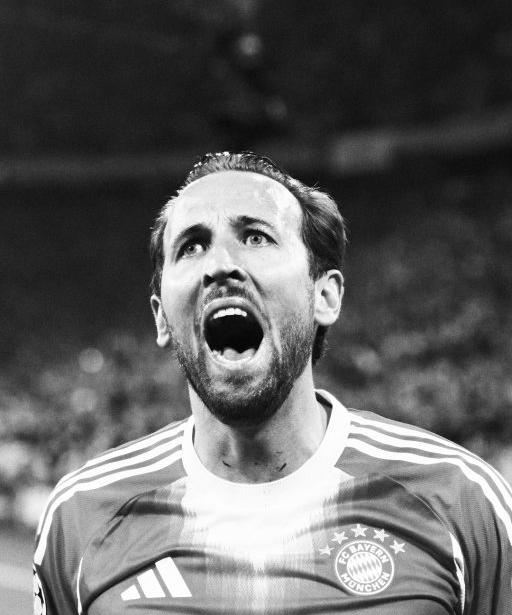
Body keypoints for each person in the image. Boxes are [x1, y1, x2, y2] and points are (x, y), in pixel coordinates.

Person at [34, 151, 512, 614]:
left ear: (325, 296)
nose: (219, 265)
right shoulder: (83, 517)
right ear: (161, 317)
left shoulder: (458, 502)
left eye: (256, 237)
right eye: (191, 246)